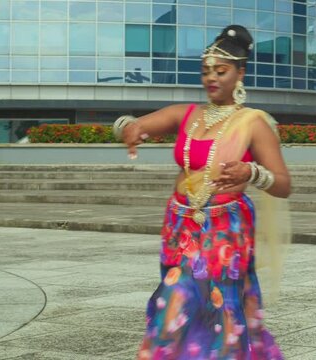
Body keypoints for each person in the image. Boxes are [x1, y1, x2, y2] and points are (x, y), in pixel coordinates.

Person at [116, 25, 291, 360]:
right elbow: (134, 123)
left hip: (225, 233)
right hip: (181, 228)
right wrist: (128, 128)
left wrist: (252, 171)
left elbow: (284, 184)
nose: (211, 78)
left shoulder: (253, 123)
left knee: (221, 314)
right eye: (206, 71)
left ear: (240, 73)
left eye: (221, 71)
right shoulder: (188, 115)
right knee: (174, 304)